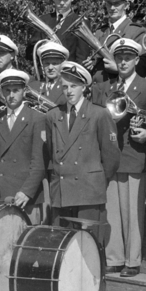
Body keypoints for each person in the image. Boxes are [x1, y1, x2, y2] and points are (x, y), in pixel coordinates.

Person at [91, 39, 146, 274]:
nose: (123, 62)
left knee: (133, 214)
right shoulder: (103, 87)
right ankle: (114, 258)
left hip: (134, 156)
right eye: (119, 57)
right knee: (112, 213)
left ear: (136, 60)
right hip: (110, 158)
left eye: (128, 57)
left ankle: (132, 261)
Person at [45, 61, 120, 226]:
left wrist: (95, 178)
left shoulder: (99, 114)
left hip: (88, 190)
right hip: (62, 191)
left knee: (88, 245)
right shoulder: (53, 115)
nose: (69, 91)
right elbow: (51, 152)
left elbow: (111, 156)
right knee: (62, 244)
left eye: (74, 86)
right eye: (65, 87)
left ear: (84, 87)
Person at [0, 69, 47, 224]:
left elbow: (39, 163)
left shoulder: (37, 119)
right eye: (7, 90)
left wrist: (26, 192)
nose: (11, 95)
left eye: (16, 90)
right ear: (2, 92)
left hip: (26, 198)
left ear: (24, 91)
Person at [92, 0, 146, 81]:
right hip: (98, 88)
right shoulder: (100, 32)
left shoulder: (136, 31)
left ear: (126, 5)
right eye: (109, 3)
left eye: (117, 4)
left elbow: (144, 68)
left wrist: (119, 69)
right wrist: (91, 64)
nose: (112, 8)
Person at [35, 0, 90, 67]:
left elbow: (82, 56)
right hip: (46, 70)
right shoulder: (43, 20)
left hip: (68, 72)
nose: (61, 2)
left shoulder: (80, 22)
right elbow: (30, 52)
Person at [30, 40, 68, 108]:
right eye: (47, 63)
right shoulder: (33, 87)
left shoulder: (68, 88)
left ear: (62, 64)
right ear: (42, 65)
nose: (50, 67)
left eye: (54, 63)